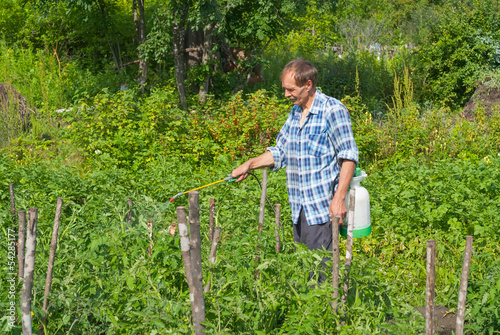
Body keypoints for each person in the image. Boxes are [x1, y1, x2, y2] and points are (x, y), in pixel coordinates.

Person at [231, 59, 359, 284]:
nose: (286, 94)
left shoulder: (332, 110)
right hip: (299, 209)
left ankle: (330, 316)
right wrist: (250, 164)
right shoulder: (294, 114)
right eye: (285, 89)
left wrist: (339, 199)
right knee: (305, 271)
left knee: (322, 276)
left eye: (291, 89)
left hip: (322, 210)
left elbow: (349, 156)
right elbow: (280, 151)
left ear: (308, 84)